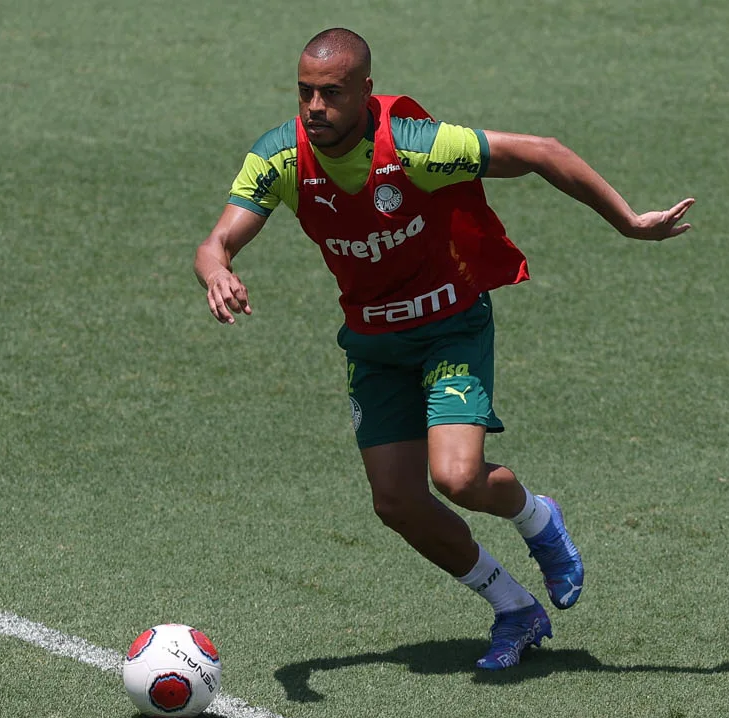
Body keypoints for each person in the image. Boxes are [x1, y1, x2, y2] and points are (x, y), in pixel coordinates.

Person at [194, 28, 694, 671]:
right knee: (396, 502)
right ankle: (514, 608)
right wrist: (217, 271)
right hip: (374, 343)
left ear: (366, 93)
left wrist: (628, 221)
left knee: (457, 476)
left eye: (331, 94)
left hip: (450, 327)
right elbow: (217, 241)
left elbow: (540, 151)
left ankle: (538, 520)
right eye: (305, 93)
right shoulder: (282, 157)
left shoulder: (414, 147)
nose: (314, 108)